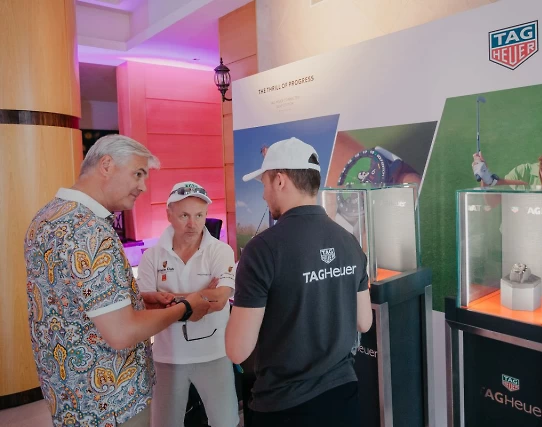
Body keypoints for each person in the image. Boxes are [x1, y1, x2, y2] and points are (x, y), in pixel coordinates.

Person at [24, 135, 210, 427]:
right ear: (107, 165)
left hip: (69, 398)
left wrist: (136, 301)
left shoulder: (47, 217)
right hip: (112, 403)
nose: (143, 186)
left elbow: (71, 300)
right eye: (138, 173)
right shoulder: (89, 231)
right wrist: (185, 308)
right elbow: (122, 333)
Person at [226, 137, 373, 427]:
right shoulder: (349, 241)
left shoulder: (261, 249)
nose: (264, 195)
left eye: (264, 184)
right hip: (344, 399)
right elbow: (364, 322)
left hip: (284, 407)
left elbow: (237, 349)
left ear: (280, 180)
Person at [136, 181, 239, 427]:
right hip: (167, 356)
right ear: (169, 214)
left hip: (214, 353)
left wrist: (168, 300)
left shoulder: (221, 251)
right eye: (184, 215)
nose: (192, 224)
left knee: (225, 422)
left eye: (199, 215)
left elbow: (220, 299)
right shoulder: (152, 256)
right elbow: (146, 306)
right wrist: (199, 297)